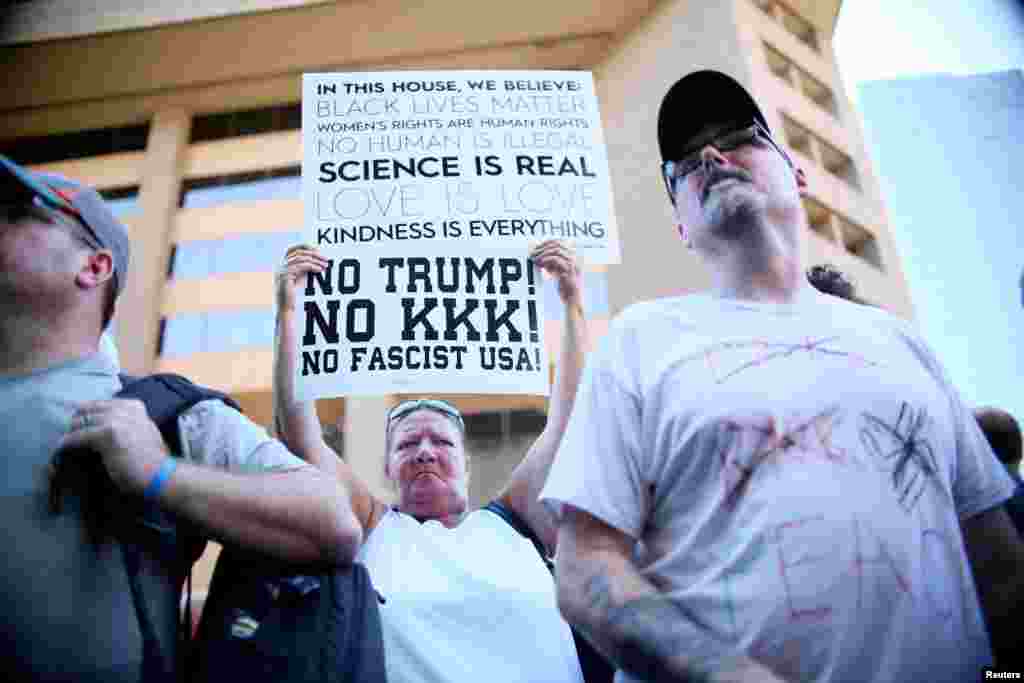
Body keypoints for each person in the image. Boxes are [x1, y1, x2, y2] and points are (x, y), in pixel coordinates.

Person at [540, 70, 1024, 682]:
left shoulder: (903, 345)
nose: (710, 156)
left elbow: (998, 567)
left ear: (797, 174)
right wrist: (727, 674)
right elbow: (585, 570)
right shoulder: (640, 341)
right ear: (681, 227)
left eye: (738, 136)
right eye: (683, 165)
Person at [0, 155, 363, 682]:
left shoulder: (160, 415)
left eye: (15, 213)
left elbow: (334, 520)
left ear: (93, 268)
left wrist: (158, 474)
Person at [273, 239, 591, 682]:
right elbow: (301, 435)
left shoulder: (514, 522)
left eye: (440, 441)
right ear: (386, 469)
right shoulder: (371, 528)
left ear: (467, 463)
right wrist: (288, 314)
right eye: (406, 445)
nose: (424, 451)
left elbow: (569, 422)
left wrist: (573, 304)